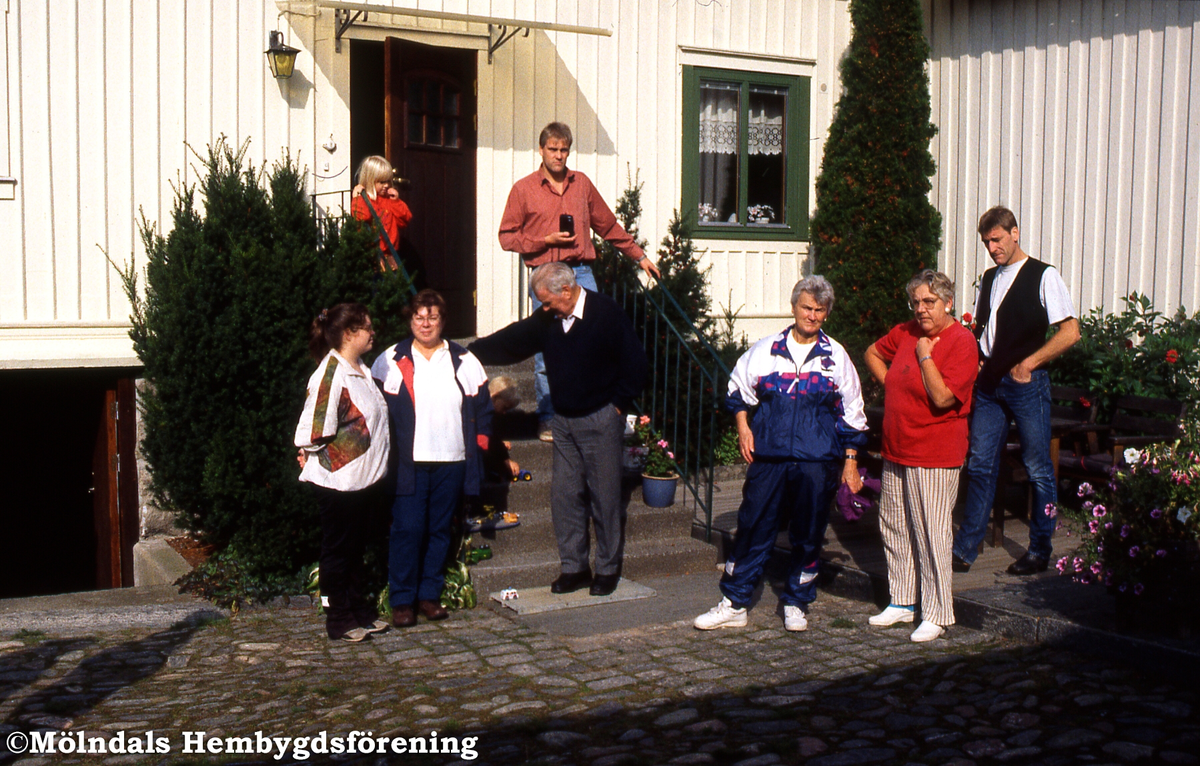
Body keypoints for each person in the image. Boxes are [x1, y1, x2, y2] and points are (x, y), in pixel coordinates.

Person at [694, 276, 868, 632]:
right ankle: (735, 602)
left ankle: (796, 602)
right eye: (807, 307)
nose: (812, 315)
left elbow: (853, 412)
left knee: (808, 533)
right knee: (754, 527)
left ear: (826, 314)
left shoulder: (835, 356)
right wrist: (744, 427)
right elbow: (738, 389)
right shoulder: (766, 350)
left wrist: (850, 461)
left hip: (816, 461)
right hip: (770, 458)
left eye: (820, 310)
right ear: (794, 307)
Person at [469, 262, 648, 597]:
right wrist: (468, 352)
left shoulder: (605, 313)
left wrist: (617, 407)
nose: (544, 309)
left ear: (567, 290)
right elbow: (514, 340)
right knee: (563, 497)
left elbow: (635, 363)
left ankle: (607, 569)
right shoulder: (549, 318)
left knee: (604, 498)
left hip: (600, 418)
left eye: (547, 301)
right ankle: (574, 567)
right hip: (563, 422)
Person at [498, 122, 660, 442]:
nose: (558, 156)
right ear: (541, 150)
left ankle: (594, 410)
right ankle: (549, 418)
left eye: (563, 150)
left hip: (581, 273)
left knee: (594, 342)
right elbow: (507, 237)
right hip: (545, 274)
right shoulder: (523, 189)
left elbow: (608, 225)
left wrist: (639, 256)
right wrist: (545, 239)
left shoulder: (581, 184)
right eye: (552, 149)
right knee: (548, 350)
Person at [951, 206, 1081, 575]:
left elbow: (1071, 332)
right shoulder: (990, 278)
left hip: (1026, 386)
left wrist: (1029, 364)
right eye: (987, 242)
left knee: (1038, 468)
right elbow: (985, 331)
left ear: (1015, 233)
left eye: (998, 239)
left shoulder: (1044, 275)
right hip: (990, 387)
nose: (992, 247)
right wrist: (977, 359)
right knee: (978, 464)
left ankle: (1040, 550)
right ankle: (966, 548)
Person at [863, 270, 980, 642]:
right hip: (897, 446)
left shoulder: (961, 342)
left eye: (929, 302)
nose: (921, 309)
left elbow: (944, 398)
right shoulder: (905, 332)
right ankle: (902, 601)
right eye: (916, 303)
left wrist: (925, 357)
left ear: (947, 302)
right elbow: (871, 352)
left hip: (934, 451)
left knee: (932, 532)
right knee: (894, 524)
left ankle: (936, 610)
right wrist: (891, 383)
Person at [370, 290, 492, 627]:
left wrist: (478, 450)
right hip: (408, 463)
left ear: (443, 320)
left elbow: (483, 409)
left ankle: (428, 596)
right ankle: (401, 601)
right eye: (419, 317)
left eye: (432, 317)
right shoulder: (390, 359)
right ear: (410, 320)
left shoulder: (464, 360)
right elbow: (374, 409)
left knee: (439, 529)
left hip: (452, 460)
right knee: (408, 529)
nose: (426, 323)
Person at [295, 303, 391, 643]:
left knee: (355, 549)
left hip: (364, 482)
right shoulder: (331, 374)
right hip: (339, 484)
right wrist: (318, 457)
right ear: (349, 334)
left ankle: (360, 611)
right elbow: (313, 430)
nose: (372, 332)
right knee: (338, 551)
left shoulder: (360, 368)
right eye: (367, 327)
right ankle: (338, 618)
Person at [351, 155, 413, 271]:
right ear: (370, 180)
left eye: (388, 181)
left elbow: (405, 220)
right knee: (375, 284)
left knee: (391, 285)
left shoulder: (388, 200)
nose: (387, 185)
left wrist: (396, 201)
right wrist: (357, 198)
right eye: (382, 182)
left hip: (390, 254)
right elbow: (362, 216)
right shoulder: (364, 199)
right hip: (371, 254)